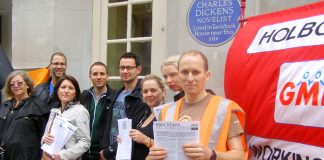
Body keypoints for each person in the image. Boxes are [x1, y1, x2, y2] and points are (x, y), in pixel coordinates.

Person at [148, 50, 248, 160]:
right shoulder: (166, 111)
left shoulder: (225, 108)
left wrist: (212, 154)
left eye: (196, 72)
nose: (190, 78)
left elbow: (239, 155)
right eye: (184, 72)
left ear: (207, 75)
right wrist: (152, 156)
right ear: (179, 75)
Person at [100, 52, 151, 160]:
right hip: (110, 153)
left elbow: (135, 131)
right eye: (122, 68)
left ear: (138, 70)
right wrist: (105, 148)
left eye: (129, 68)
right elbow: (109, 124)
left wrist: (109, 151)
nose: (125, 71)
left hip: (127, 153)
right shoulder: (116, 94)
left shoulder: (142, 97)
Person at [0, 71, 49, 160]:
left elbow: (45, 135)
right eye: (12, 84)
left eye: (20, 83)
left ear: (27, 85)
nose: (16, 86)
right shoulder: (4, 106)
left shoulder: (38, 107)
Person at [42, 75, 90, 160]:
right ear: (57, 91)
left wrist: (63, 155)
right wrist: (44, 139)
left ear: (75, 94)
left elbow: (85, 142)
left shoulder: (80, 111)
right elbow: (45, 137)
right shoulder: (54, 112)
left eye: (71, 88)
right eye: (63, 87)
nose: (66, 91)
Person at [118, 74, 166, 160]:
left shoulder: (168, 115)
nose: (149, 94)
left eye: (153, 90)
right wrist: (125, 139)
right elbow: (135, 137)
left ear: (163, 92)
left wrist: (145, 140)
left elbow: (169, 149)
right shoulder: (145, 113)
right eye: (145, 91)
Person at [80, 62, 117, 160]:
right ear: (90, 76)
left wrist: (109, 150)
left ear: (107, 76)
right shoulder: (84, 96)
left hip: (102, 154)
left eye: (102, 74)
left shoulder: (114, 97)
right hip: (83, 152)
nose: (99, 77)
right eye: (95, 74)